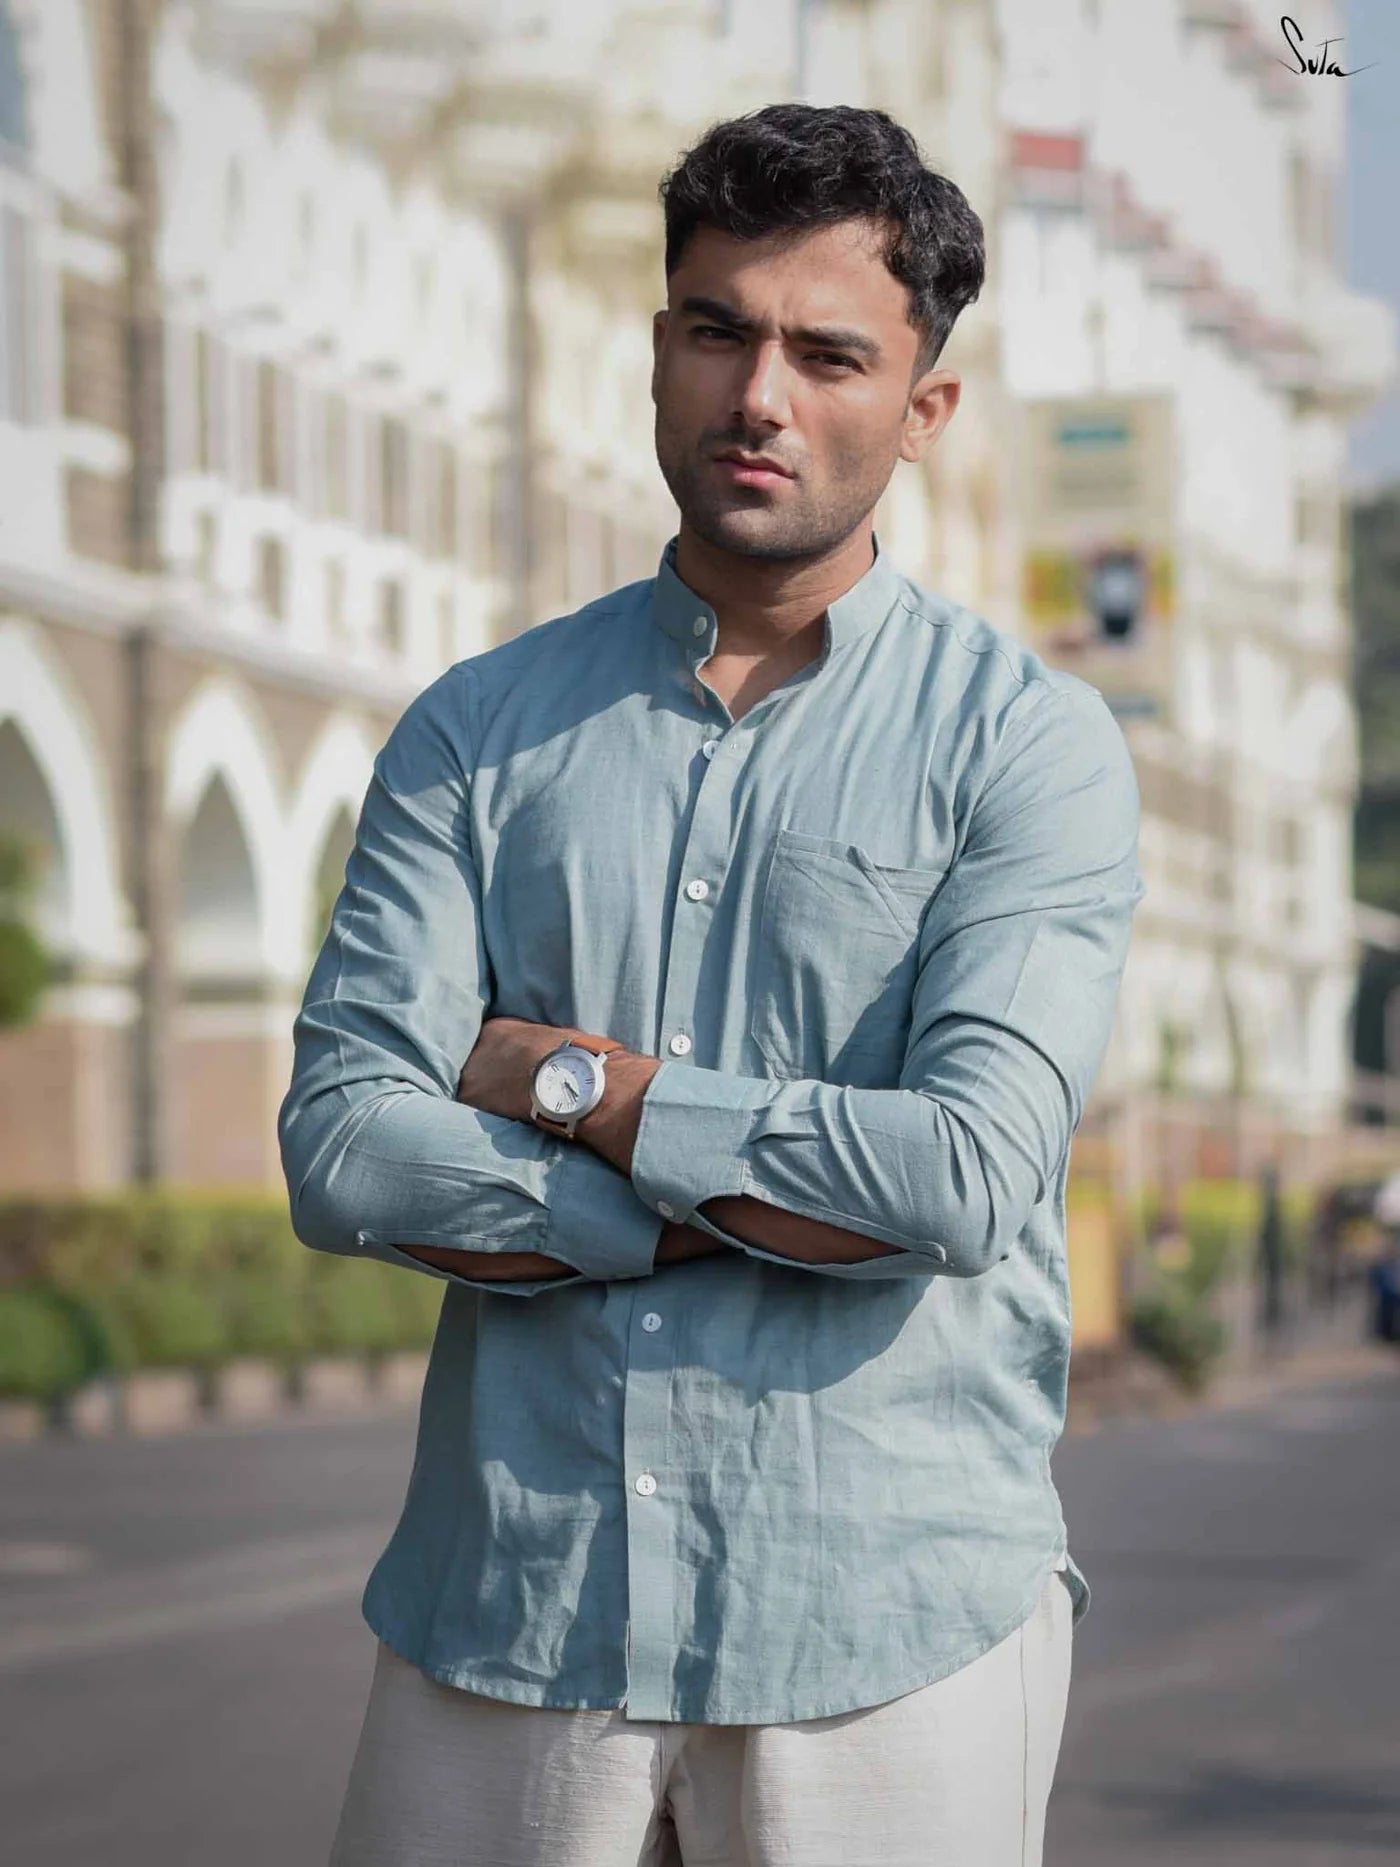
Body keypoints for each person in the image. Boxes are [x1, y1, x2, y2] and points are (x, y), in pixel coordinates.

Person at [278, 101, 1146, 1867]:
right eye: (716, 330)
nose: (760, 395)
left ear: (924, 410)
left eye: (828, 354)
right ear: (658, 350)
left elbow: (965, 1178)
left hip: (890, 1632)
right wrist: (729, 1205)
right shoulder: (477, 732)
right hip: (515, 1614)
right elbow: (346, 1149)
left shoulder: (1026, 745)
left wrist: (578, 1091)